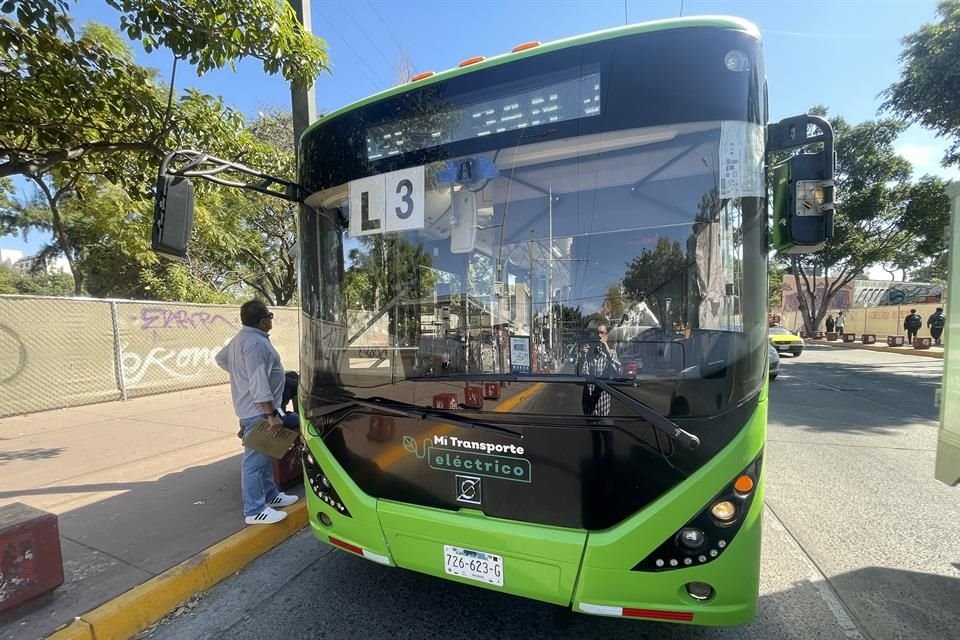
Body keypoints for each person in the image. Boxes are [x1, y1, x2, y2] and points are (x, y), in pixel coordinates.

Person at [216, 300, 300, 525]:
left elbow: (220, 359)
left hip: (252, 409)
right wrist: (271, 413)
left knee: (264, 455)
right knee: (254, 462)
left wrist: (240, 374)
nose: (271, 320)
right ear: (263, 321)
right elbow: (259, 381)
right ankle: (254, 509)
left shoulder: (241, 339)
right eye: (270, 316)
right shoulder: (255, 344)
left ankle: (271, 496)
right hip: (258, 411)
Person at [576, 323, 621, 417]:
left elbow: (618, 372)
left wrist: (607, 351)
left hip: (602, 399)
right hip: (588, 398)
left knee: (604, 426)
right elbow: (581, 374)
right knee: (591, 427)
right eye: (597, 333)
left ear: (606, 336)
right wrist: (582, 356)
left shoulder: (611, 353)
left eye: (602, 333)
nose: (599, 335)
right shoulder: (588, 353)